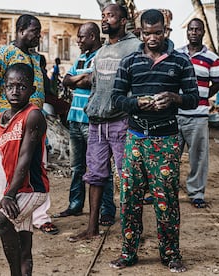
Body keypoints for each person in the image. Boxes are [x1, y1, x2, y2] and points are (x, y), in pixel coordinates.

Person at [110, 9, 199, 272]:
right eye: (147, 33)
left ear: (165, 30)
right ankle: (128, 253)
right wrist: (136, 103)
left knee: (166, 200)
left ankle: (171, 254)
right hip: (135, 139)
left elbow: (193, 99)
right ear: (139, 32)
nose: (152, 38)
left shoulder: (181, 62)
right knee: (130, 199)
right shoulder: (129, 62)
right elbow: (116, 99)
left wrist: (174, 98)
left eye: (157, 32)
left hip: (167, 140)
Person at [68, 4, 141, 242]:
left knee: (127, 176)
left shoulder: (134, 47)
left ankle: (132, 230)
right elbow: (97, 83)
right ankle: (92, 228)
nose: (104, 19)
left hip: (121, 121)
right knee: (95, 175)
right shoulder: (101, 51)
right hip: (97, 121)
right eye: (103, 15)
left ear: (123, 21)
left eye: (110, 16)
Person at [0, 14, 58, 238]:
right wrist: (5, 101)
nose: (38, 35)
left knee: (37, 168)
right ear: (21, 31)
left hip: (34, 123)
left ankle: (40, 217)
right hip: (8, 125)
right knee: (1, 172)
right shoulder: (4, 53)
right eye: (35, 31)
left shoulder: (35, 58)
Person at [56, 22, 114, 221]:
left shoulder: (104, 55)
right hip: (74, 119)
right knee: (76, 167)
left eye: (81, 37)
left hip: (93, 122)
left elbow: (93, 81)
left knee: (99, 166)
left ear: (92, 36)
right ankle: (75, 204)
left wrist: (79, 79)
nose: (78, 40)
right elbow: (65, 80)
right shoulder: (81, 57)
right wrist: (81, 76)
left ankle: (107, 210)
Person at [0, 63, 49, 276]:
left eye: (21, 86)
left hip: (32, 188)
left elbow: (25, 159)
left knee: (2, 219)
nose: (15, 91)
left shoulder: (33, 115)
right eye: (10, 86)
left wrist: (9, 195)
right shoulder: (2, 119)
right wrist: (9, 190)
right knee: (24, 244)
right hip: (17, 188)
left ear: (32, 90)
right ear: (4, 88)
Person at [176, 18, 219, 209]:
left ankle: (196, 193)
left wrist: (198, 97)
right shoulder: (176, 54)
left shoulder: (213, 58)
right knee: (170, 156)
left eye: (198, 29)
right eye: (191, 29)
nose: (194, 32)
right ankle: (164, 192)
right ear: (187, 32)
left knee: (198, 157)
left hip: (199, 116)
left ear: (203, 32)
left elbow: (217, 84)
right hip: (175, 114)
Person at [40, 54, 70, 126]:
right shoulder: (42, 73)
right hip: (46, 96)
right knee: (65, 106)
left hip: (48, 93)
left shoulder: (42, 72)